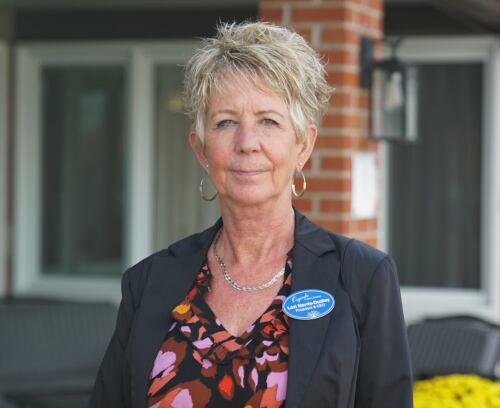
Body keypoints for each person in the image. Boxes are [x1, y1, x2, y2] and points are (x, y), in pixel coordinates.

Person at [90, 20, 413, 408]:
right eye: (226, 122)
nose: (247, 143)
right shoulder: (147, 283)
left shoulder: (362, 279)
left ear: (303, 146)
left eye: (268, 121)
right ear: (201, 148)